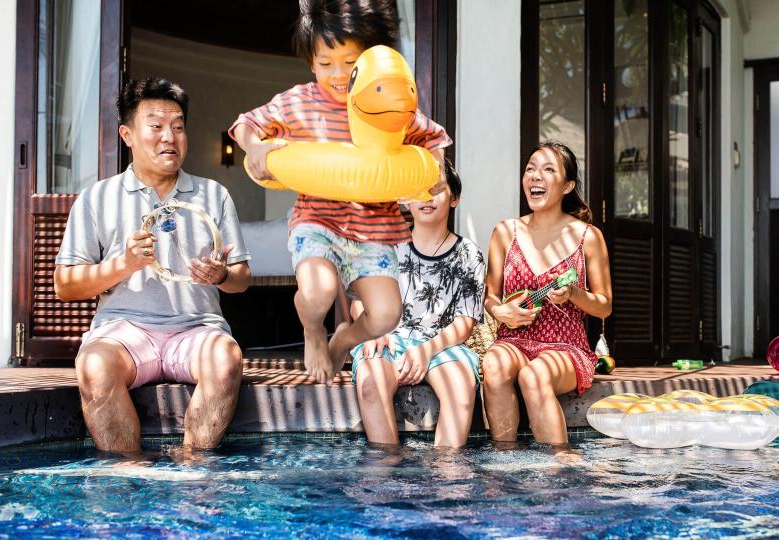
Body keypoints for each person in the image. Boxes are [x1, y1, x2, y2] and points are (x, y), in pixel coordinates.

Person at [229, 0, 451, 385]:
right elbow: (246, 124)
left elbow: (433, 138)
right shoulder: (299, 102)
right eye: (326, 62)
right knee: (319, 293)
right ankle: (313, 330)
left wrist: (436, 170)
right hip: (318, 219)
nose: (337, 73)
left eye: (349, 62)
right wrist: (256, 147)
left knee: (385, 315)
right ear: (311, 63)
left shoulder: (383, 102)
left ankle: (344, 337)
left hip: (373, 228)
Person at [54, 78, 252, 453]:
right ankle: (130, 474)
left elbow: (241, 279)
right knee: (95, 365)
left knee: (226, 359)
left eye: (178, 127)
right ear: (127, 134)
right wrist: (123, 265)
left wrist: (222, 275)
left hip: (196, 330)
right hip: (124, 333)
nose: (169, 137)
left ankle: (192, 470)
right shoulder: (97, 198)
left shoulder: (214, 195)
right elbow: (65, 285)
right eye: (156, 127)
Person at [481, 141, 613, 447]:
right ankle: (505, 462)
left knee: (534, 375)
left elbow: (604, 306)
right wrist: (501, 312)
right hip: (513, 339)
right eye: (530, 169)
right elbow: (490, 296)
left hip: (566, 346)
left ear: (567, 186)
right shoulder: (505, 232)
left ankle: (560, 470)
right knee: (494, 364)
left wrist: (574, 294)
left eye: (548, 170)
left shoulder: (588, 237)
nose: (535, 176)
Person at [350, 163, 484, 448]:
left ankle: (447, 477)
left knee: (460, 387)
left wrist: (426, 350)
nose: (427, 197)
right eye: (419, 189)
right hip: (388, 336)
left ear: (454, 198)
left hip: (443, 345)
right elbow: (361, 302)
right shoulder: (385, 246)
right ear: (406, 200)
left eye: (436, 189)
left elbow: (466, 322)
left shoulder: (469, 254)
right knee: (370, 382)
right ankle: (386, 476)